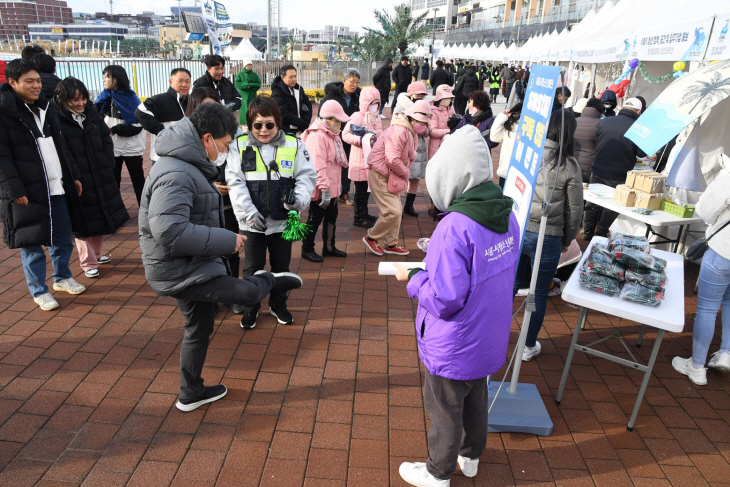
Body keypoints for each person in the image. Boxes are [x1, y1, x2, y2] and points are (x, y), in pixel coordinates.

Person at [139, 102, 301, 412]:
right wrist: (228, 240)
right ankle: (272, 279)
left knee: (199, 328)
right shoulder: (176, 171)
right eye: (225, 144)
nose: (226, 150)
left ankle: (191, 392)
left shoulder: (184, 163)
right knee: (247, 291)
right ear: (207, 138)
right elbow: (170, 230)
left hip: (188, 262)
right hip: (180, 269)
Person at [395, 125, 520, 487]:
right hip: (487, 336)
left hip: (454, 343)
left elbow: (445, 299)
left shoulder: (454, 227)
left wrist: (415, 279)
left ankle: (437, 473)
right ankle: (470, 457)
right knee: (476, 399)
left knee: (444, 409)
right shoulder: (504, 214)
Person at [0, 59, 86, 311]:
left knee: (62, 237)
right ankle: (39, 290)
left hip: (55, 184)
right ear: (13, 82)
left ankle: (62, 277)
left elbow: (61, 146)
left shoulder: (46, 107)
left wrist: (72, 176)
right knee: (31, 243)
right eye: (29, 81)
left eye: (38, 80)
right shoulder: (5, 112)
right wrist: (14, 191)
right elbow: (2, 158)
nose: (36, 85)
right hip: (27, 189)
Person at [226, 96, 316, 328]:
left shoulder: (295, 145)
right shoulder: (238, 145)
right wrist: (249, 214)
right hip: (252, 223)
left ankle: (278, 304)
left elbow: (307, 177)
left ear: (278, 122)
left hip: (283, 221)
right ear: (249, 125)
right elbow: (235, 183)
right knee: (251, 268)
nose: (263, 130)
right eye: (257, 125)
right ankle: (251, 307)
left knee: (281, 267)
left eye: (269, 124)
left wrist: (298, 200)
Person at [513, 109, 583, 361]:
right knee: (539, 292)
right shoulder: (569, 165)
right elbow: (574, 210)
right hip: (549, 236)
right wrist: (567, 240)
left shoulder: (527, 153)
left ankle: (495, 334)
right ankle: (527, 345)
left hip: (519, 230)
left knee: (509, 286)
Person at [56, 77, 129, 278]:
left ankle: (97, 254)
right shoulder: (58, 120)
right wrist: (73, 175)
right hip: (78, 178)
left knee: (100, 216)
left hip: (100, 172)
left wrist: (108, 162)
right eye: (74, 100)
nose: (80, 104)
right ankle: (87, 262)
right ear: (64, 100)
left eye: (83, 99)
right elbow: (63, 153)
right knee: (82, 222)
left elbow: (106, 139)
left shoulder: (92, 115)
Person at [672, 154, 730, 386]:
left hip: (722, 250)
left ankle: (697, 367)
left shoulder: (727, 176)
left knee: (707, 308)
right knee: (729, 303)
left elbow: (705, 212)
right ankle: (725, 352)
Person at [362, 101, 430, 257]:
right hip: (381, 174)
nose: (424, 126)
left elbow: (405, 157)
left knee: (397, 211)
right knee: (392, 211)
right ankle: (372, 237)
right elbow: (392, 159)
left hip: (392, 175)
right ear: (413, 118)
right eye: (422, 122)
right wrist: (406, 173)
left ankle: (391, 244)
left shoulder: (409, 130)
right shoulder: (399, 131)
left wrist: (403, 172)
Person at [581, 97, 646, 240]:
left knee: (593, 200)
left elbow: (596, 141)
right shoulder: (638, 128)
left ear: (623, 107)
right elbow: (642, 153)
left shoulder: (604, 122)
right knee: (612, 203)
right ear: (639, 111)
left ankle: (587, 229)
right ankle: (601, 231)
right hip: (620, 172)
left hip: (598, 167)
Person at [300, 100, 351, 262]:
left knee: (331, 218)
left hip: (332, 187)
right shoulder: (317, 137)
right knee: (314, 219)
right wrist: (325, 190)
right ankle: (307, 249)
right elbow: (317, 167)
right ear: (328, 119)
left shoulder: (331, 134)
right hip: (321, 189)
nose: (340, 124)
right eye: (337, 120)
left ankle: (329, 247)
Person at [95, 65, 146, 206]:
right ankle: (114, 212)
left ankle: (145, 211)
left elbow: (137, 126)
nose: (104, 79)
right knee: (112, 181)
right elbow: (95, 115)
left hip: (132, 147)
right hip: (112, 146)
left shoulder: (131, 97)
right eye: (104, 76)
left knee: (138, 181)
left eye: (107, 76)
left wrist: (116, 129)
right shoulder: (105, 96)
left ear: (116, 79)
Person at [342, 86, 383, 228]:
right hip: (359, 161)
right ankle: (359, 217)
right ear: (365, 103)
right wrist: (362, 141)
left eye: (377, 103)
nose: (375, 106)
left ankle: (364, 214)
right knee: (360, 191)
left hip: (372, 161)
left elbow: (380, 134)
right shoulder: (357, 116)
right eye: (372, 103)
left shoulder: (376, 118)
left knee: (366, 191)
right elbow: (345, 135)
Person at [322, 68, 362, 206]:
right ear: (344, 80)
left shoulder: (359, 97)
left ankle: (344, 193)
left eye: (357, 82)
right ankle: (328, 190)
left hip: (350, 136)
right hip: (333, 135)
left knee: (346, 165)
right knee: (330, 164)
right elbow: (322, 114)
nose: (354, 85)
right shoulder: (332, 95)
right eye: (352, 81)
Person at [135, 68, 191, 162]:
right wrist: (162, 131)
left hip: (187, 156)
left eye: (187, 81)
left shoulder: (192, 101)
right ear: (171, 81)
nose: (184, 85)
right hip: (162, 157)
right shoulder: (159, 100)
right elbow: (140, 112)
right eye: (180, 81)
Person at [394, 82, 430, 217]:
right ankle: (396, 207)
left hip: (418, 147)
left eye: (423, 94)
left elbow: (427, 130)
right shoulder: (401, 105)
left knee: (415, 179)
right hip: (403, 147)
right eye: (418, 93)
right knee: (399, 179)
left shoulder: (423, 107)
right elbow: (398, 124)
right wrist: (419, 127)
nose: (421, 96)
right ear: (411, 94)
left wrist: (424, 129)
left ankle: (409, 205)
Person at [270, 65, 312, 136]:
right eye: (291, 77)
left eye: (295, 76)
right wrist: (302, 123)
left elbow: (307, 106)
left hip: (301, 131)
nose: (294, 79)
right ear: (283, 78)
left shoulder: (299, 90)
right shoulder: (277, 92)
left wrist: (306, 122)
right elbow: (283, 114)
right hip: (285, 132)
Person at [490, 102, 523, 188]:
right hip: (508, 172)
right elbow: (494, 137)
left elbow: (494, 137)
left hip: (511, 172)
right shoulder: (511, 124)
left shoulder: (512, 124)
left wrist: (503, 116)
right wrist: (502, 117)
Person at [573, 97, 605, 183]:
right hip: (589, 166)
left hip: (571, 163)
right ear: (600, 111)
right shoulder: (600, 124)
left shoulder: (574, 121)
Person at [428, 85, 455, 161]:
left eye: (449, 98)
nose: (448, 100)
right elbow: (433, 132)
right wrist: (451, 131)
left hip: (449, 145)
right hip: (437, 146)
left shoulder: (451, 109)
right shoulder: (433, 110)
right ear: (439, 99)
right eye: (446, 98)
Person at [233, 58, 261, 125]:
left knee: (252, 108)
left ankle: (252, 123)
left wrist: (249, 85)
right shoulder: (240, 74)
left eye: (250, 65)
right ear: (245, 66)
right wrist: (245, 86)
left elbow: (258, 84)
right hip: (242, 95)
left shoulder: (255, 75)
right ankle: (244, 124)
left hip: (252, 94)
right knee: (243, 109)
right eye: (248, 65)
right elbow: (237, 84)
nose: (249, 67)